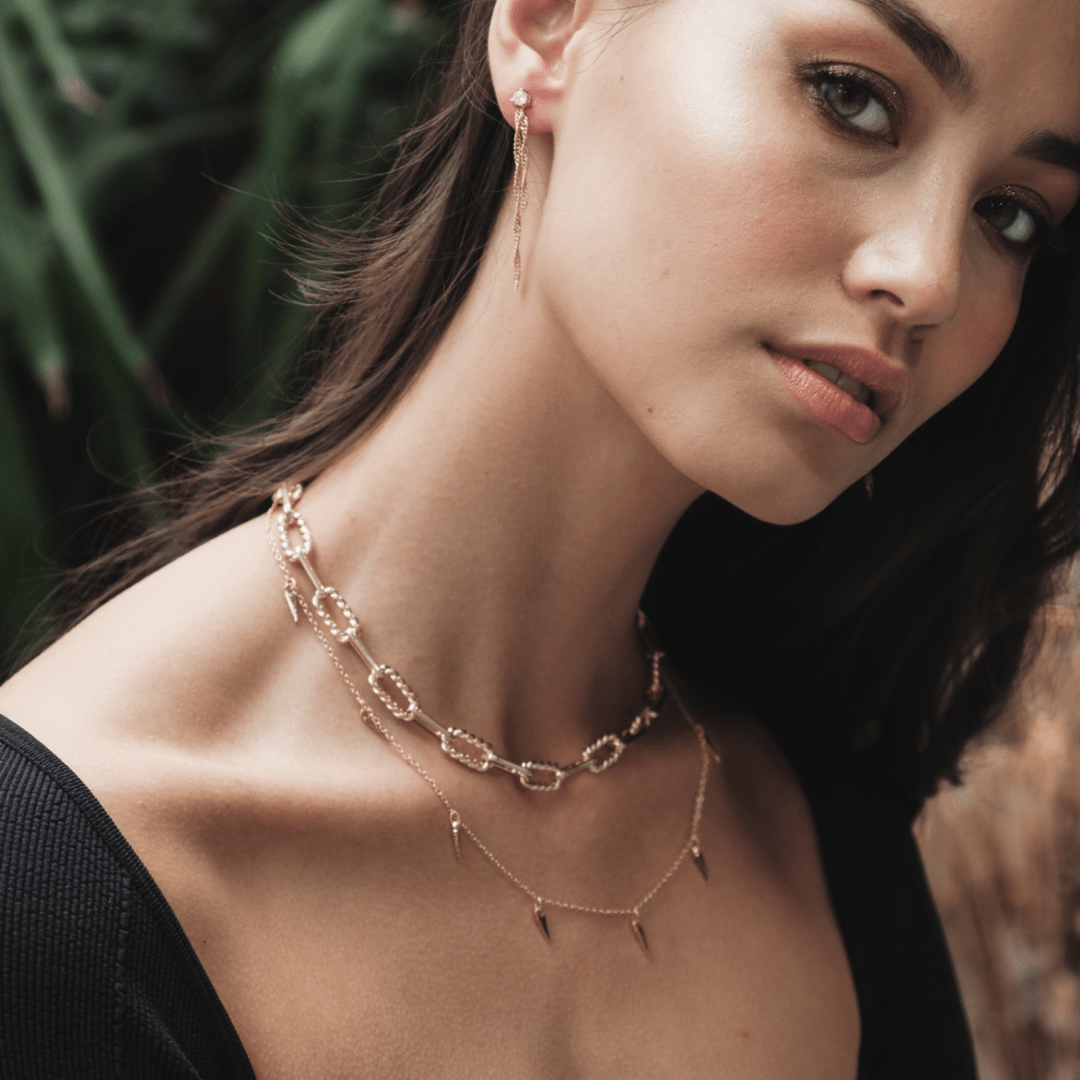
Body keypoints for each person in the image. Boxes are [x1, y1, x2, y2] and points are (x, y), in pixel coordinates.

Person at [1, 0, 1079, 1075]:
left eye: (1011, 214)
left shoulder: (822, 830)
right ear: (547, 25)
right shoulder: (61, 879)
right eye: (854, 97)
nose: (930, 275)